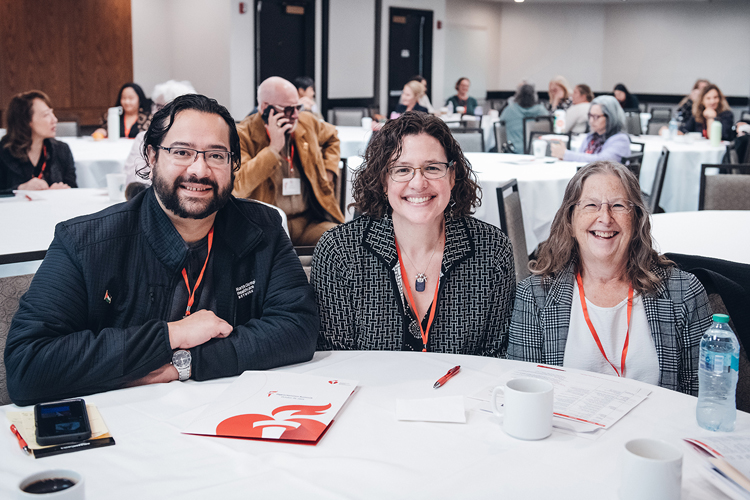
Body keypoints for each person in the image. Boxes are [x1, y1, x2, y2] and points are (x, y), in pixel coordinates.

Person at [5, 94, 318, 406]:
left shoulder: (261, 228)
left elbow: (298, 327)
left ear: (233, 164)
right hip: (125, 430)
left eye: (217, 155)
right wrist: (173, 334)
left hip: (231, 418)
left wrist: (186, 365)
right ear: (152, 156)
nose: (200, 170)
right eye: (181, 152)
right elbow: (28, 365)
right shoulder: (86, 242)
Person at [312, 111, 515, 355]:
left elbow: (496, 358)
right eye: (402, 170)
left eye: (432, 167)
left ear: (452, 176)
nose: (418, 183)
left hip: (464, 391)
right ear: (383, 181)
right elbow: (333, 359)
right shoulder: (340, 251)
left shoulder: (491, 249)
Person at [507, 161, 712, 395]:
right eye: (591, 205)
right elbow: (523, 395)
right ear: (571, 221)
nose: (605, 218)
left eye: (617, 205)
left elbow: (701, 396)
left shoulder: (683, 292)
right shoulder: (535, 296)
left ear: (636, 221)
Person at [233, 77, 343, 246]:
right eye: (288, 110)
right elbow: (238, 186)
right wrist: (273, 149)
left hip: (308, 222)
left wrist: (328, 172)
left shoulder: (306, 122)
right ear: (265, 108)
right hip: (267, 226)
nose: (296, 115)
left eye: (298, 107)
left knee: (343, 241)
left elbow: (332, 137)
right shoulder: (242, 135)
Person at [0, 90, 76, 194]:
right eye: (46, 115)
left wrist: (63, 191)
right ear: (26, 121)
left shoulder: (61, 150)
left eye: (52, 113)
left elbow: (74, 189)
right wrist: (20, 189)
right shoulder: (4, 151)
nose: (54, 119)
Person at [123, 80, 196, 187]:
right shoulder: (143, 138)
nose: (156, 112)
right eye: (157, 106)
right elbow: (133, 179)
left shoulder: (196, 141)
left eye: (164, 108)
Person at [550, 96, 630, 163]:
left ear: (610, 117)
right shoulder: (591, 136)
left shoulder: (621, 139)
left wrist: (566, 154)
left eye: (596, 117)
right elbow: (582, 159)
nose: (591, 121)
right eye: (590, 116)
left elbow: (601, 162)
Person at [498, 83, 548, 154]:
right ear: (534, 96)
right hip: (536, 151)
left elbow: (500, 123)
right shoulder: (542, 111)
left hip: (514, 151)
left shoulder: (510, 110)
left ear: (518, 96)